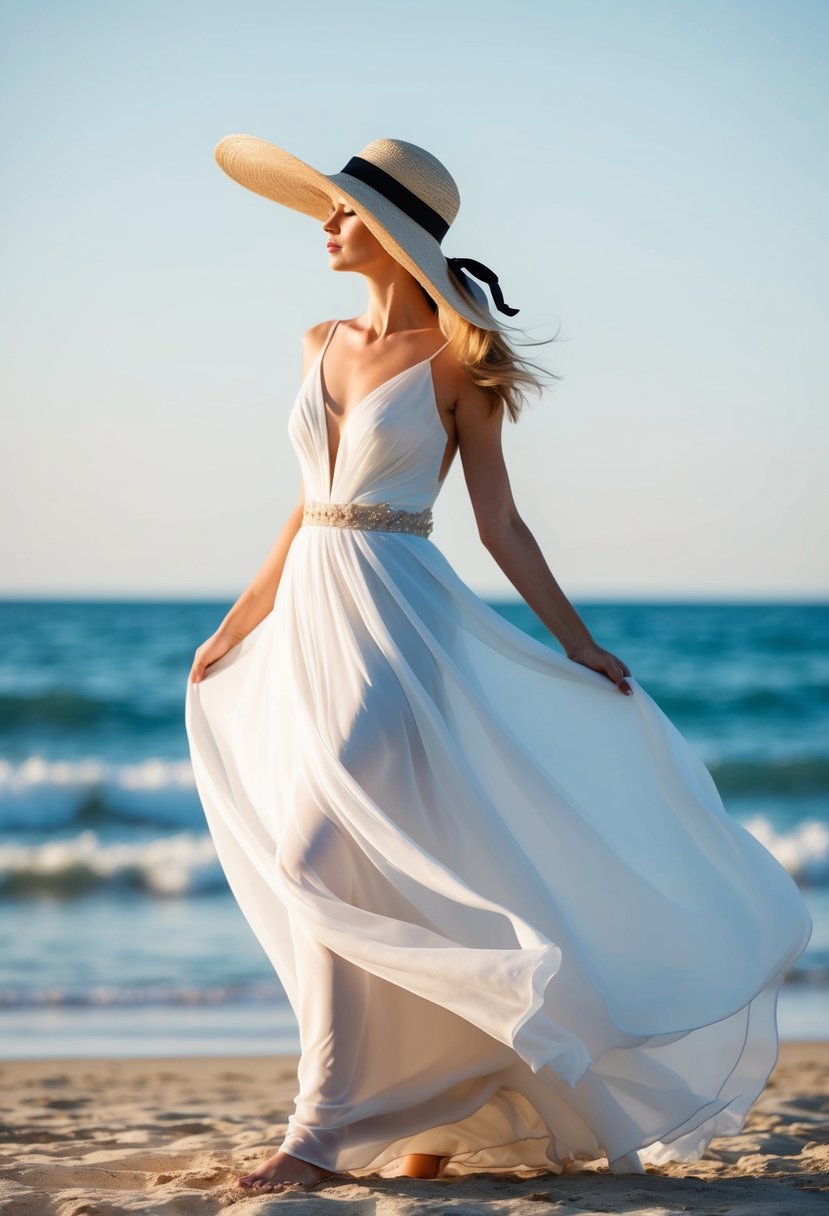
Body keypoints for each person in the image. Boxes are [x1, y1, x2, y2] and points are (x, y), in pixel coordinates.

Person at [184, 136, 811, 1195]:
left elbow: (501, 523)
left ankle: (319, 1127)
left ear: (390, 232)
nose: (323, 227)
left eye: (340, 212)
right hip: (312, 616)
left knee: (312, 855)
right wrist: (240, 619)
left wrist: (575, 640)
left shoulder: (459, 363)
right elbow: (306, 502)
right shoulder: (317, 340)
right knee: (366, 870)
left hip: (399, 623)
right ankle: (453, 1102)